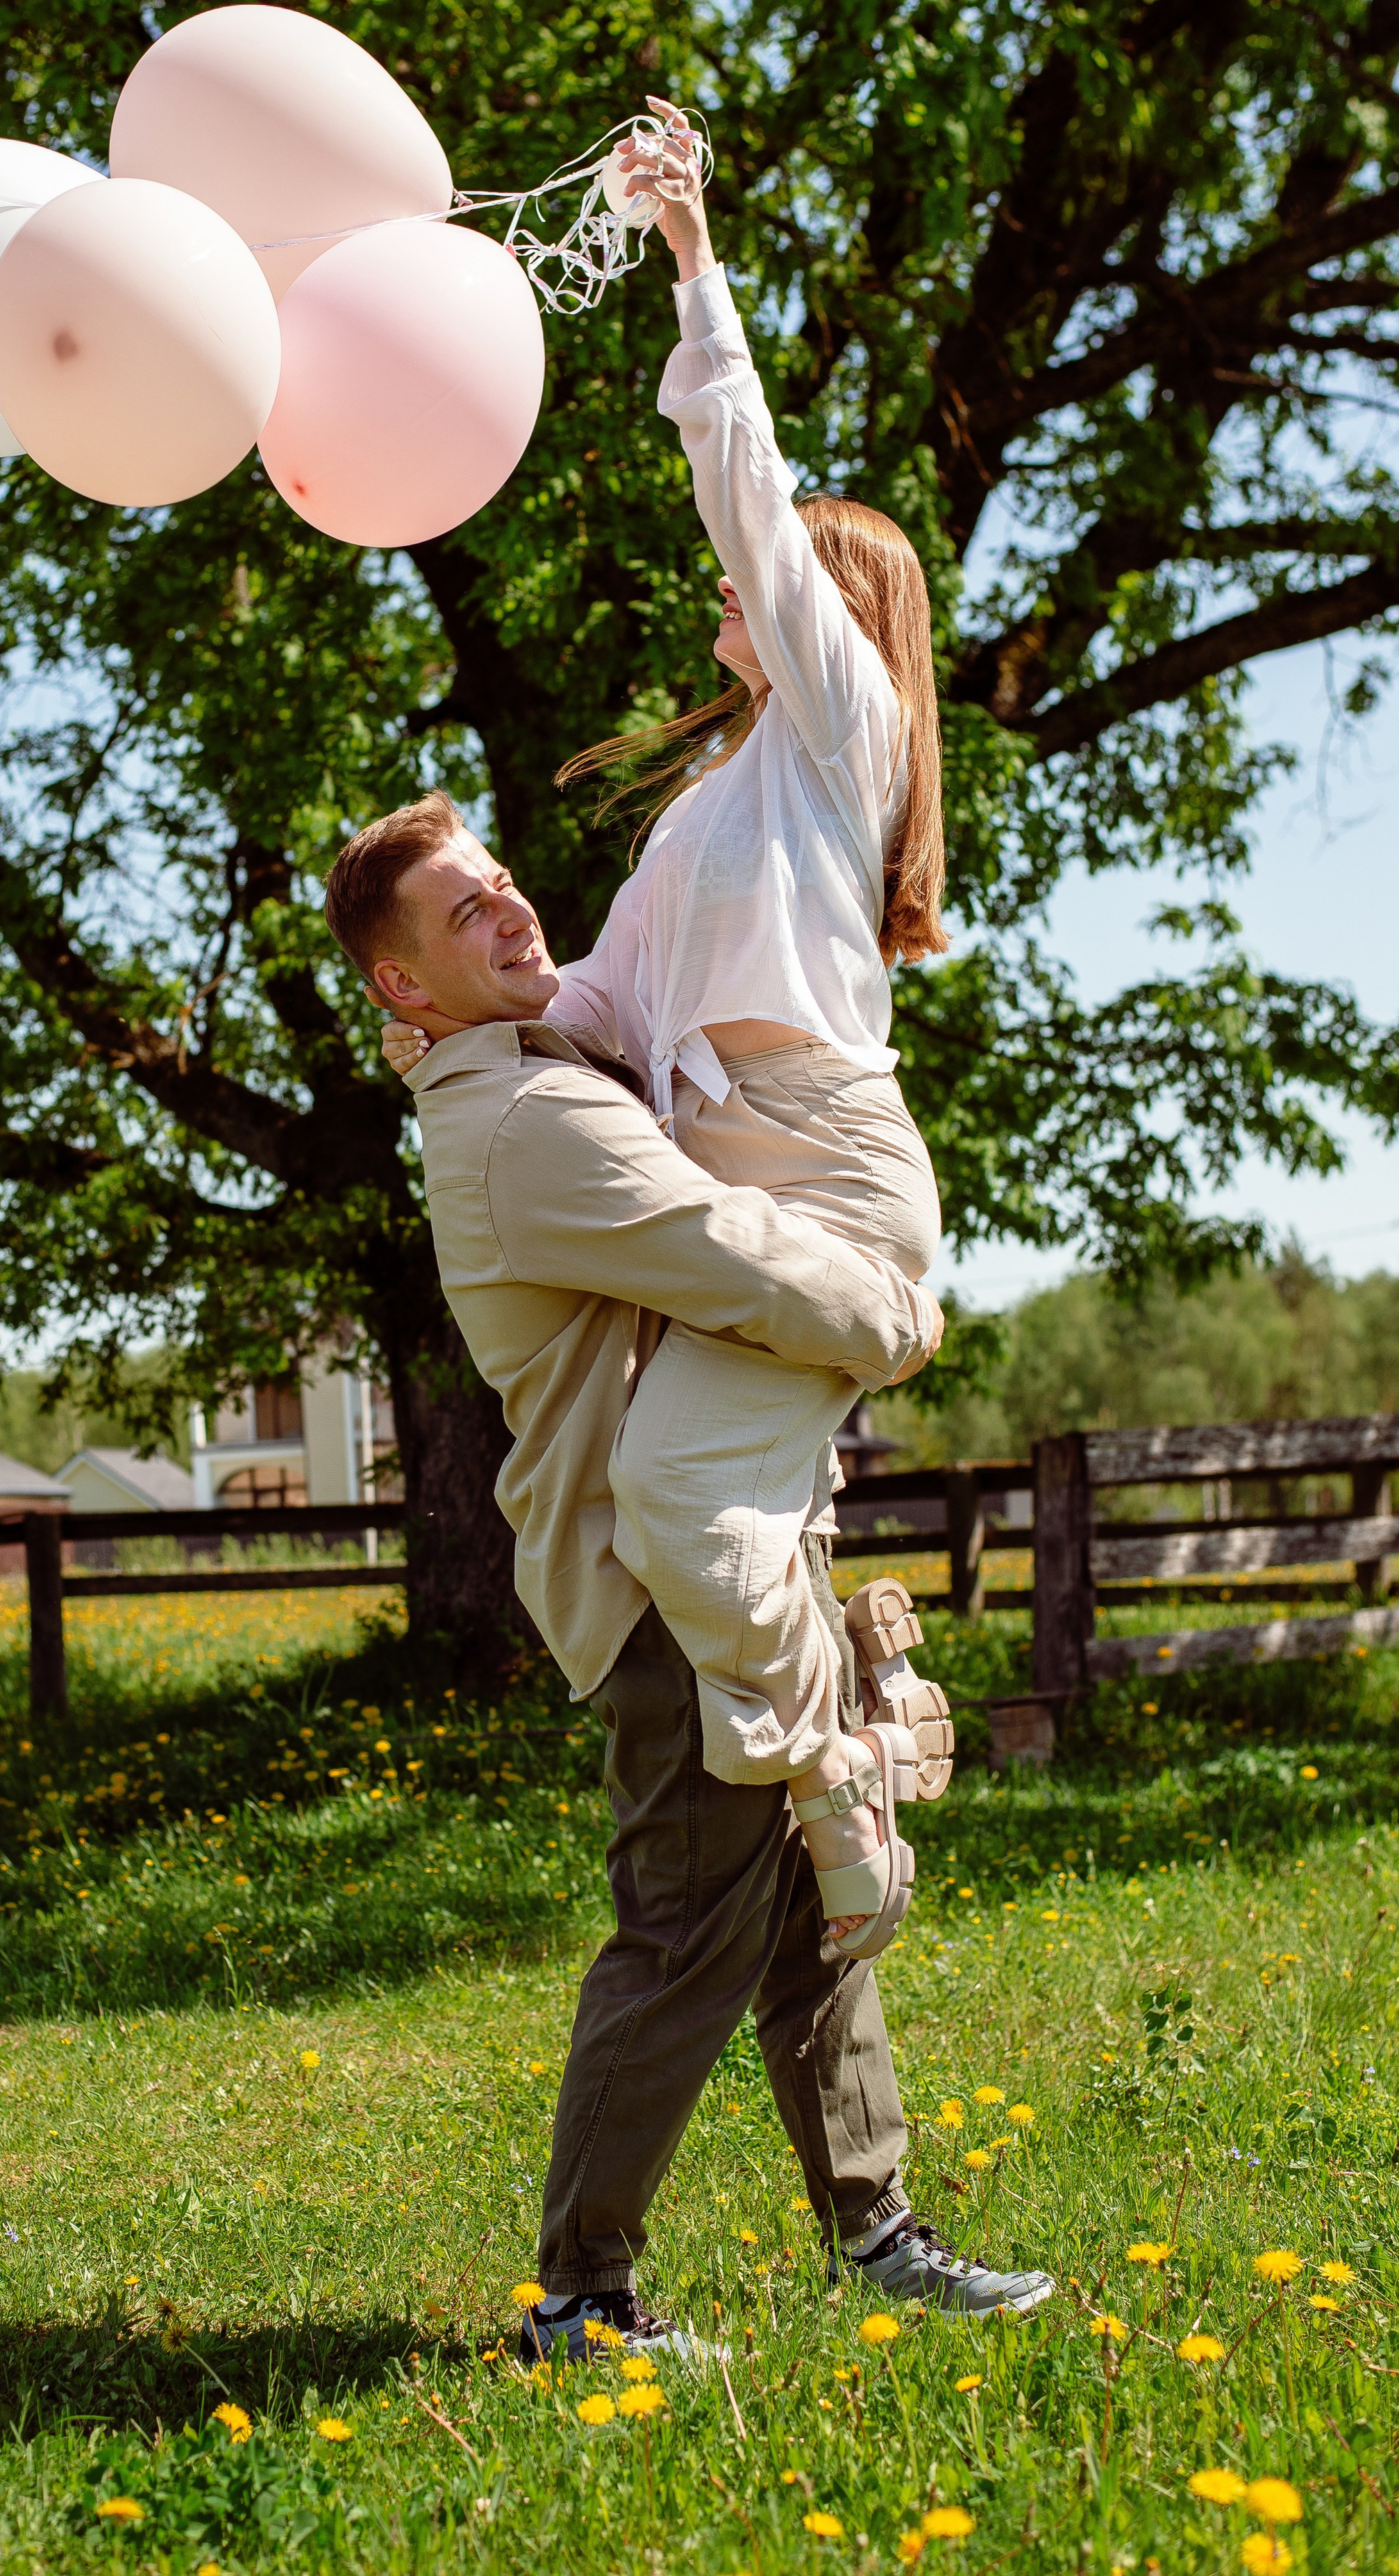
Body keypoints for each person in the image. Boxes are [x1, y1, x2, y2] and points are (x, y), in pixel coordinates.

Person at [321, 796, 1055, 2354]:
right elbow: (730, 1249)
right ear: (401, 989)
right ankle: (582, 2295)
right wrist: (893, 1310)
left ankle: (877, 2230)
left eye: (504, 883)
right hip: (657, 1582)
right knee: (687, 1923)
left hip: (730, 1553)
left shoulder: (528, 1069)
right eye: (466, 914)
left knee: (809, 1902)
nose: (513, 913)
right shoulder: (524, 1119)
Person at [377, 97, 952, 1961]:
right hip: (744, 1203)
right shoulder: (702, 818)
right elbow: (608, 1015)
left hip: (828, 1174)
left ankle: (827, 1763)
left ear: (836, 621)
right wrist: (468, 1034)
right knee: (682, 1510)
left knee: (698, 1510)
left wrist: (694, 265)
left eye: (780, 563)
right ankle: (837, 1744)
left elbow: (742, 481)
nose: (741, 573)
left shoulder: (837, 738)